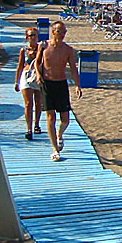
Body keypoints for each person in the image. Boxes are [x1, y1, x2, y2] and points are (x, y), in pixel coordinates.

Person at [34, 20, 82, 161]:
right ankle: (55, 149)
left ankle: (59, 135)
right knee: (50, 117)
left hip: (61, 84)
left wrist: (78, 85)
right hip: (47, 83)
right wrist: (38, 74)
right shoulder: (44, 46)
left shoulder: (68, 49)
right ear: (53, 31)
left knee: (65, 120)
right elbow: (37, 62)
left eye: (64, 32)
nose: (62, 34)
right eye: (60, 31)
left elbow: (73, 68)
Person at [14, 27, 43, 140]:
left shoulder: (42, 48)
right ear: (27, 37)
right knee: (28, 103)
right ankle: (29, 129)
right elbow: (20, 65)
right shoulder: (24, 50)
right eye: (30, 35)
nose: (33, 37)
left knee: (38, 101)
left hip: (38, 75)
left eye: (35, 35)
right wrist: (17, 81)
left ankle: (37, 124)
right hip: (26, 76)